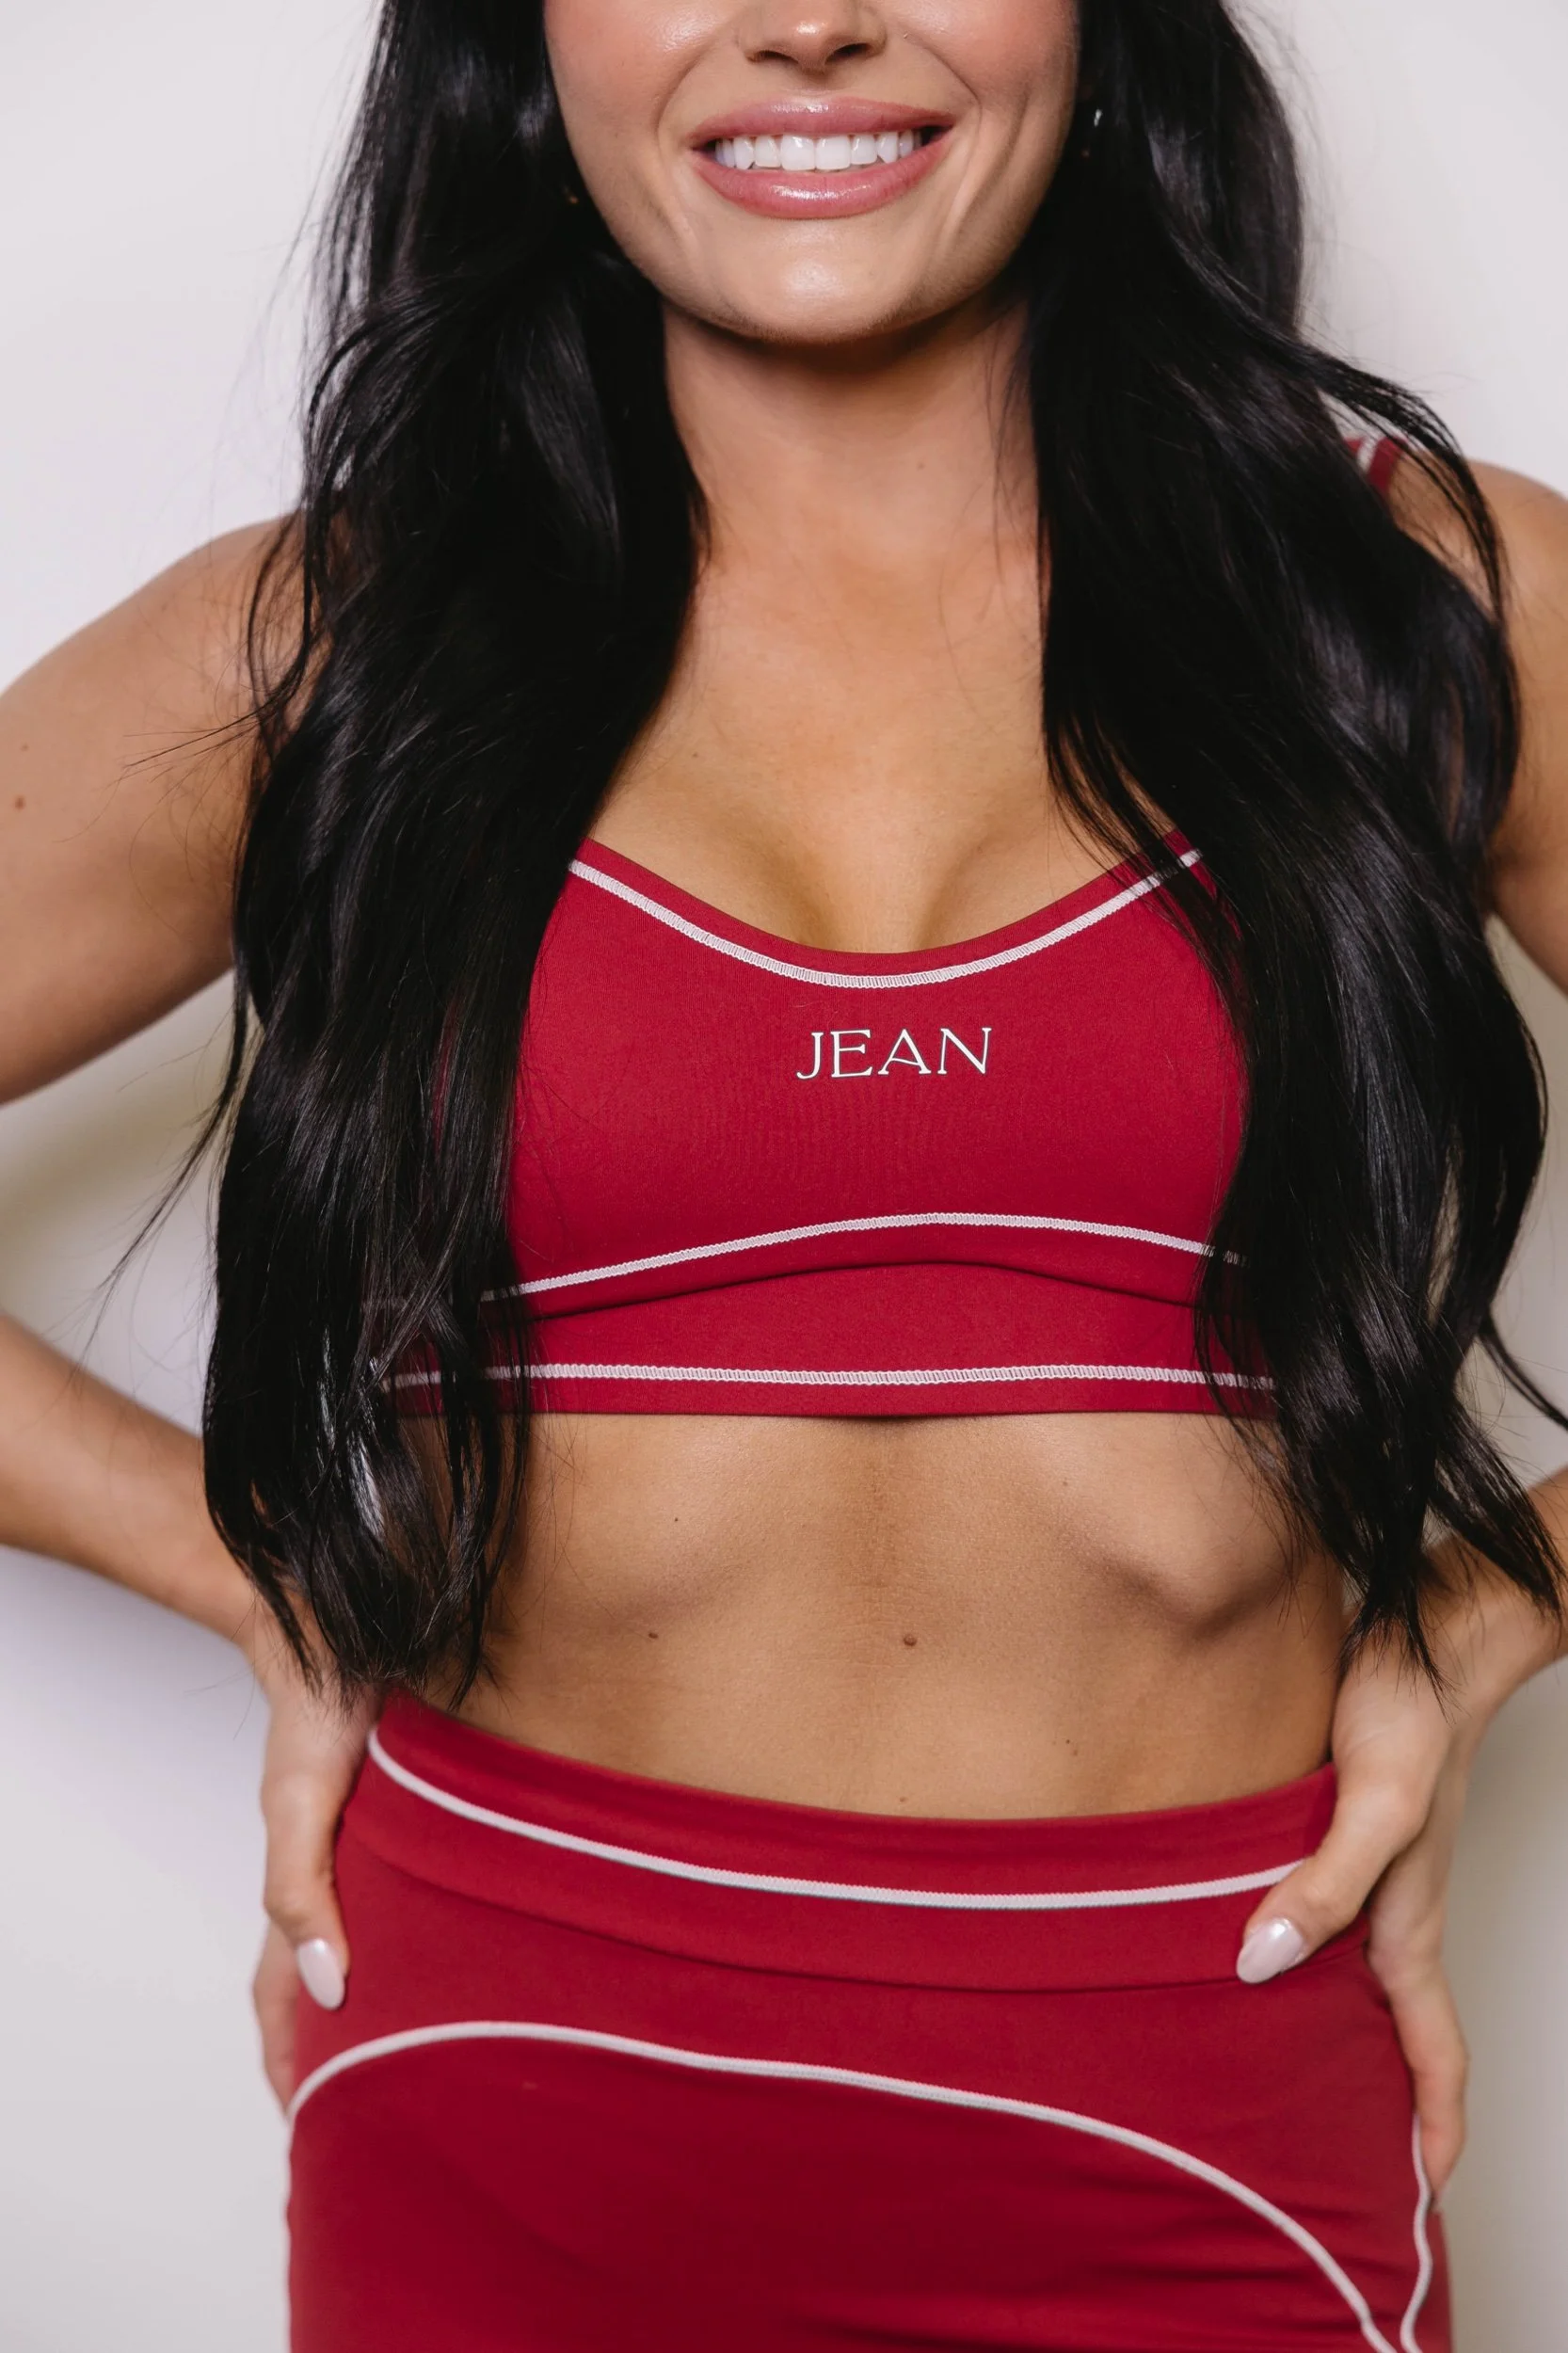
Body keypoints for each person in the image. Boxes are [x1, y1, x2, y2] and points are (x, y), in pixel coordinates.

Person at [4, 1, 1568, 2345]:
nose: (811, 19)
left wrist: (1486, 1610)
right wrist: (250, 1574)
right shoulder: (336, 654)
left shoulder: (1411, 606)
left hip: (1200, 2125)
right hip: (498, 2106)